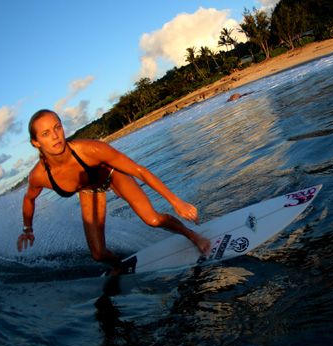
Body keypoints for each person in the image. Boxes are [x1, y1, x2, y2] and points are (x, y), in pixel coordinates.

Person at [17, 109, 210, 272]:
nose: (55, 136)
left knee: (152, 219)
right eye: (45, 134)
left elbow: (138, 171)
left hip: (113, 176)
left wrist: (176, 201)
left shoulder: (90, 150)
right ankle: (119, 266)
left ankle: (192, 235)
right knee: (98, 254)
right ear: (35, 142)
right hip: (89, 191)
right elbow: (29, 199)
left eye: (57, 127)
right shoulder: (39, 176)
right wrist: (27, 229)